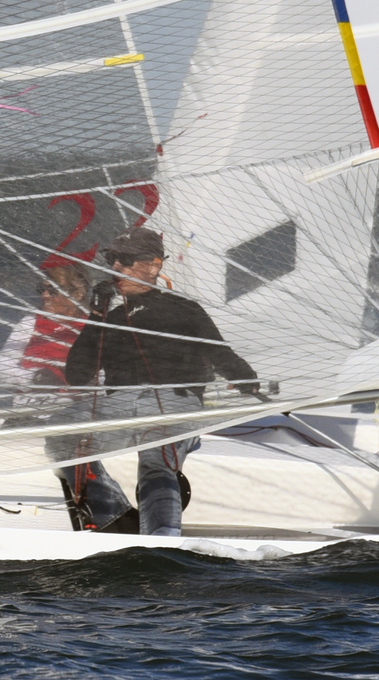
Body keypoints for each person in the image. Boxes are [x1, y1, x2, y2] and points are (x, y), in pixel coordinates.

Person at [52, 226, 259, 536]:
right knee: (60, 432)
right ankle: (115, 518)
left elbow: (222, 355)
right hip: (118, 405)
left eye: (124, 260)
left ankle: (163, 539)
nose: (115, 267)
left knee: (155, 456)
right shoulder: (111, 318)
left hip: (173, 402)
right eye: (113, 260)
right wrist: (97, 314)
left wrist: (247, 380)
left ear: (153, 266)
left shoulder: (184, 309)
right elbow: (77, 375)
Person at [0, 263, 90, 411]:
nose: (45, 295)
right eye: (41, 289)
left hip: (73, 412)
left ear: (77, 293)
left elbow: (106, 379)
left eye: (53, 290)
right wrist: (34, 377)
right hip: (27, 412)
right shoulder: (30, 323)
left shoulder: (93, 327)